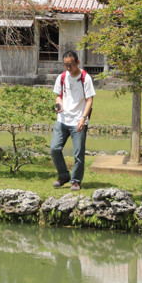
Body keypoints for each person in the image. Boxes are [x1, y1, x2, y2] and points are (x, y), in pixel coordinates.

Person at [51, 50, 94, 191]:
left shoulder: (85, 78)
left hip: (78, 121)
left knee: (78, 154)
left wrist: (83, 118)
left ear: (77, 63)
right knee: (54, 148)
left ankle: (76, 181)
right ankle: (63, 176)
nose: (68, 68)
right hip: (62, 120)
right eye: (65, 65)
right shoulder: (62, 77)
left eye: (71, 65)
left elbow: (89, 100)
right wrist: (59, 104)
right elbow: (58, 96)